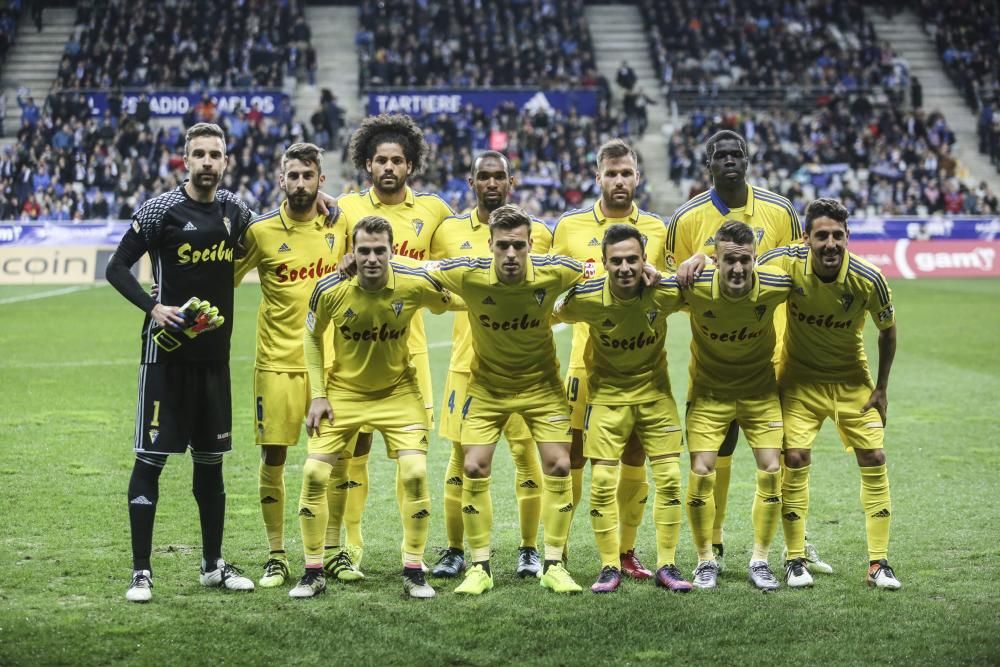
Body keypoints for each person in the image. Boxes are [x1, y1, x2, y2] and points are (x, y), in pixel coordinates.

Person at [667, 130, 832, 574]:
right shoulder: (686, 217)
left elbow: (798, 265)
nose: (728, 161)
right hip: (716, 359)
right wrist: (695, 262)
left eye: (735, 154)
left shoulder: (780, 210)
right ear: (708, 164)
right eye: (719, 156)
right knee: (718, 451)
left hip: (777, 356)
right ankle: (714, 542)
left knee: (787, 456)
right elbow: (672, 279)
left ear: (748, 158)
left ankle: (794, 545)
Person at [106, 122, 256, 602]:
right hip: (165, 359)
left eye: (216, 154)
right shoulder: (160, 210)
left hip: (214, 361)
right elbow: (116, 267)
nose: (208, 162)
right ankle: (141, 572)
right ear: (185, 159)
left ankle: (212, 565)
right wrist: (153, 308)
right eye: (200, 154)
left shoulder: (236, 211)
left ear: (226, 161)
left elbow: (278, 234)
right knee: (150, 460)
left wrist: (323, 203)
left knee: (210, 466)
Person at [291, 215, 460, 599]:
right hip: (344, 394)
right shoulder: (329, 288)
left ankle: (414, 569)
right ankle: (313, 570)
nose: (371, 258)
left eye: (379, 250)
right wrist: (318, 394)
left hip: (399, 394)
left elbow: (458, 300)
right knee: (315, 474)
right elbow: (312, 337)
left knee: (415, 472)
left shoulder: (413, 281)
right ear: (352, 251)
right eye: (363, 250)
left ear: (392, 250)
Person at [425, 205, 588, 595]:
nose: (511, 254)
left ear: (531, 245)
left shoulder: (554, 271)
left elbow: (596, 272)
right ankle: (479, 566)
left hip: (542, 388)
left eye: (518, 246)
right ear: (491, 246)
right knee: (475, 466)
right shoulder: (468, 273)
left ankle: (553, 563)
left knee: (560, 464)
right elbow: (420, 270)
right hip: (487, 388)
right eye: (503, 246)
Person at [758, 198, 901, 590]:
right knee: (796, 457)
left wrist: (883, 388)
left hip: (852, 381)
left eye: (838, 235)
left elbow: (888, 330)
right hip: (799, 381)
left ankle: (878, 563)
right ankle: (794, 560)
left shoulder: (868, 278)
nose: (830, 244)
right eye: (822, 235)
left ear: (848, 237)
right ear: (806, 238)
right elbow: (740, 271)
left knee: (874, 455)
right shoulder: (786, 262)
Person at [335, 113, 455, 574]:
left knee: (414, 460)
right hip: (354, 352)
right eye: (380, 160)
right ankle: (349, 548)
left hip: (411, 353)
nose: (389, 167)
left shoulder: (435, 212)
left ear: (411, 165)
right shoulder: (344, 210)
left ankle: (414, 557)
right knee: (353, 455)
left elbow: (455, 262)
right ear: (367, 164)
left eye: (397, 161)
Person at [428, 151, 551, 579]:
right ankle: (456, 550)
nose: (493, 183)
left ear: (511, 182)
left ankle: (529, 549)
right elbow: (423, 273)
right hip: (467, 364)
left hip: (523, 366)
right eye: (485, 176)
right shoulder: (447, 231)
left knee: (525, 455)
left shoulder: (538, 235)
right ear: (472, 181)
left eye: (500, 176)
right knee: (462, 459)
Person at [233, 143, 349, 588]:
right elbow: (222, 276)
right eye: (292, 176)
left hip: (332, 366)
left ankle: (334, 551)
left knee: (334, 460)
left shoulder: (341, 225)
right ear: (281, 180)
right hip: (277, 364)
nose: (300, 183)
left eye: (308, 176)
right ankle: (276, 554)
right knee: (274, 457)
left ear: (321, 179)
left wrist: (337, 204)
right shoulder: (261, 232)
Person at [552, 138, 668, 579]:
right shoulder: (570, 227)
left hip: (644, 366)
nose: (619, 181)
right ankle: (557, 548)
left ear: (637, 176)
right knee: (576, 455)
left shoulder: (657, 229)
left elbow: (674, 285)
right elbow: (554, 285)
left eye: (626, 173)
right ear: (597, 176)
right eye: (611, 173)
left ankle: (625, 550)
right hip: (588, 363)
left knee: (634, 453)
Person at [555, 224, 692, 594]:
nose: (625, 267)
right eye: (616, 261)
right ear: (603, 263)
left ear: (644, 260)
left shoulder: (662, 292)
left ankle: (668, 563)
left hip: (655, 396)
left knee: (669, 480)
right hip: (607, 398)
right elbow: (554, 305)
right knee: (601, 484)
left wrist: (676, 268)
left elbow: (705, 286)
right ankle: (608, 566)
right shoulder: (587, 297)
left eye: (633, 259)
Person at [681, 220, 792, 591]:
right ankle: (704, 560)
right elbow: (652, 288)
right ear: (716, 259)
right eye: (729, 260)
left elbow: (810, 279)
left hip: (760, 395)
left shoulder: (776, 284)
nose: (738, 269)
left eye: (745, 260)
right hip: (709, 396)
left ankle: (760, 559)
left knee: (772, 469)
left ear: (755, 259)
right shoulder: (695, 285)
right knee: (701, 471)